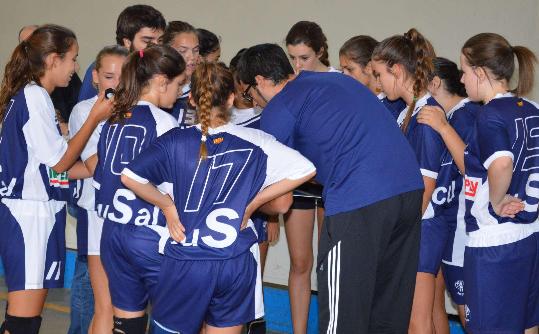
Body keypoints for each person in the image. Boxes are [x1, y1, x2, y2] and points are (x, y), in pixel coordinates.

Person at [236, 43, 424, 333]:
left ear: (259, 81)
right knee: (387, 309)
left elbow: (282, 201)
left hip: (359, 198)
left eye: (249, 95)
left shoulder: (280, 107)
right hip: (409, 190)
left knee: (342, 315)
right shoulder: (334, 80)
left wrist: (247, 207)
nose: (254, 102)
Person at [121, 61, 316, 334]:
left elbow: (129, 177)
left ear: (190, 98)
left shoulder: (174, 140)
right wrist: (252, 204)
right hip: (234, 261)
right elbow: (306, 169)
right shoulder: (256, 140)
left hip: (187, 259)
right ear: (231, 98)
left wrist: (167, 206)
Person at [0, 24, 111, 334]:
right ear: (52, 59)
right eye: (72, 59)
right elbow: (60, 162)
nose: (75, 68)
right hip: (28, 215)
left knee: (29, 319)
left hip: (43, 211)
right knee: (22, 322)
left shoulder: (38, 97)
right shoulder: (33, 96)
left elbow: (53, 166)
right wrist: (93, 118)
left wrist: (98, 161)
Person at [432, 32, 538, 333]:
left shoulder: (489, 115)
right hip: (530, 236)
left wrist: (496, 200)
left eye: (464, 72)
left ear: (480, 72)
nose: (462, 81)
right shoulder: (531, 109)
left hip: (493, 244)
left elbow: (502, 163)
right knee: (528, 324)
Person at [93, 44, 186, 334]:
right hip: (149, 234)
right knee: (175, 320)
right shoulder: (164, 122)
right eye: (179, 84)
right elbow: (175, 186)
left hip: (112, 233)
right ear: (161, 81)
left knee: (126, 324)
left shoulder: (115, 117)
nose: (181, 92)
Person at [371, 29, 447, 334]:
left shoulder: (426, 116)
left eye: (379, 75)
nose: (377, 83)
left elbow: (425, 188)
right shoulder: (407, 111)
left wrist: (399, 235)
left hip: (421, 228)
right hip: (412, 227)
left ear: (397, 70)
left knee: (418, 322)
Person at [69, 45, 129, 334]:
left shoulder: (144, 111)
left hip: (136, 216)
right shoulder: (85, 111)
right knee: (105, 303)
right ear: (95, 77)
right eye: (108, 76)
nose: (116, 84)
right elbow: (96, 166)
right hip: (100, 211)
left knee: (125, 307)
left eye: (123, 76)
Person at [416, 57, 480, 328]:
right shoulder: (457, 116)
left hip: (464, 228)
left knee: (473, 316)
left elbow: (473, 170)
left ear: (435, 83)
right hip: (450, 225)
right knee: (436, 303)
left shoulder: (463, 119)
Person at [283, 20, 337, 332]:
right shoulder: (292, 83)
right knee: (300, 262)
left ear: (320, 52)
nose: (298, 65)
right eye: (293, 58)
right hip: (301, 180)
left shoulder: (340, 80)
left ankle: (330, 326)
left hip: (331, 182)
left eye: (305, 58)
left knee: (328, 264)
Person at [229, 49, 278, 334]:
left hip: (256, 212)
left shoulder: (264, 118)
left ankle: (252, 327)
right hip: (225, 213)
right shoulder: (225, 120)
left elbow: (275, 172)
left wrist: (272, 217)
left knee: (252, 283)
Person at [78, 4, 166, 101]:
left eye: (160, 41)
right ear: (127, 42)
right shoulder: (102, 68)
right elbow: (87, 113)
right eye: (147, 41)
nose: (157, 47)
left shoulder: (159, 68)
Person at [339, 35, 406, 119]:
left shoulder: (393, 106)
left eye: (349, 69)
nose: (344, 75)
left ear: (369, 67)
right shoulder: (358, 101)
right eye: (342, 70)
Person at [160, 21, 200, 127]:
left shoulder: (203, 90)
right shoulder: (154, 90)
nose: (191, 57)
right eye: (183, 51)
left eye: (195, 50)